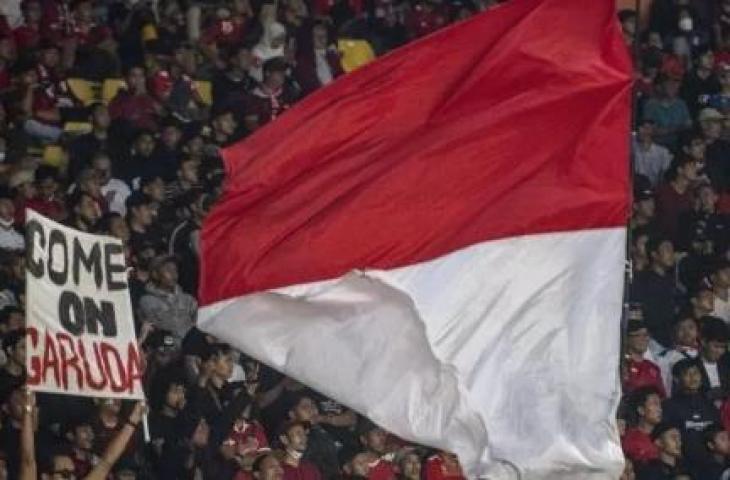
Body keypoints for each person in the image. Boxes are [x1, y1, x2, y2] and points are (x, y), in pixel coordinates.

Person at [663, 358, 720, 463]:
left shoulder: (711, 406)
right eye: (687, 373)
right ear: (676, 379)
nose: (693, 377)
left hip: (712, 465)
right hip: (684, 465)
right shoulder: (669, 406)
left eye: (696, 372)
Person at [631, 237, 680, 349]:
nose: (671, 254)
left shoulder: (671, 281)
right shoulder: (643, 279)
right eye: (667, 250)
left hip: (669, 339)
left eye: (672, 250)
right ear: (654, 254)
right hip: (650, 341)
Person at [138, 255, 197, 342]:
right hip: (165, 349)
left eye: (175, 270)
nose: (174, 274)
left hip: (190, 348)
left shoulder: (188, 300)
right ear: (155, 274)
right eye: (168, 270)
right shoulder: (147, 301)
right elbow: (165, 325)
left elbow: (198, 324)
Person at [642, 75, 692, 149]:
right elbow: (651, 131)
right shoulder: (651, 105)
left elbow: (688, 125)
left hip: (678, 145)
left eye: (674, 86)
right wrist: (677, 128)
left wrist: (667, 130)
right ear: (660, 88)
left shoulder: (681, 104)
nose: (673, 88)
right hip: (657, 146)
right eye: (669, 86)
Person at [623, 387, 663, 463]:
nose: (660, 409)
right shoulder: (632, 440)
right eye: (655, 404)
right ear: (641, 410)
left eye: (660, 404)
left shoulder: (664, 435)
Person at [697, 316, 730, 401]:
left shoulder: (727, 365)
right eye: (716, 346)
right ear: (703, 341)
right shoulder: (691, 367)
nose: (720, 352)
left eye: (723, 347)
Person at [633, 119, 673, 188]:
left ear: (653, 131)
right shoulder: (631, 147)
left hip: (654, 188)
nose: (642, 131)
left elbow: (663, 176)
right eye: (639, 128)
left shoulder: (662, 152)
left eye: (646, 128)